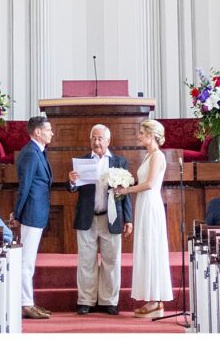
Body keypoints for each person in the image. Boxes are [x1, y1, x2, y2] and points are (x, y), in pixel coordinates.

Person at [68, 123, 133, 315]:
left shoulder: (120, 162)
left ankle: (109, 300)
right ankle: (85, 299)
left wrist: (128, 219)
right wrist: (72, 181)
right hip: (87, 217)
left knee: (111, 261)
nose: (97, 142)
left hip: (111, 217)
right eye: (94, 138)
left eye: (100, 138)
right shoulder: (82, 161)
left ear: (108, 140)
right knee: (86, 260)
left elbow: (126, 193)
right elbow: (74, 188)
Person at [115, 119, 172, 318]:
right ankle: (151, 300)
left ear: (151, 134)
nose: (138, 136)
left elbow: (149, 184)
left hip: (151, 202)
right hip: (144, 203)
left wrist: (126, 189)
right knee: (146, 249)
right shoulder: (148, 155)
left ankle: (156, 301)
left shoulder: (157, 155)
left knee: (152, 249)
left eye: (141, 132)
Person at [9, 115, 54, 320]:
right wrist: (17, 214)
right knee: (26, 263)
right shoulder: (30, 153)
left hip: (37, 212)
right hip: (31, 214)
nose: (51, 133)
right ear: (38, 132)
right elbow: (24, 186)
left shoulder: (38, 151)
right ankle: (25, 304)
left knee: (30, 262)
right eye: (48, 130)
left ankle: (28, 302)